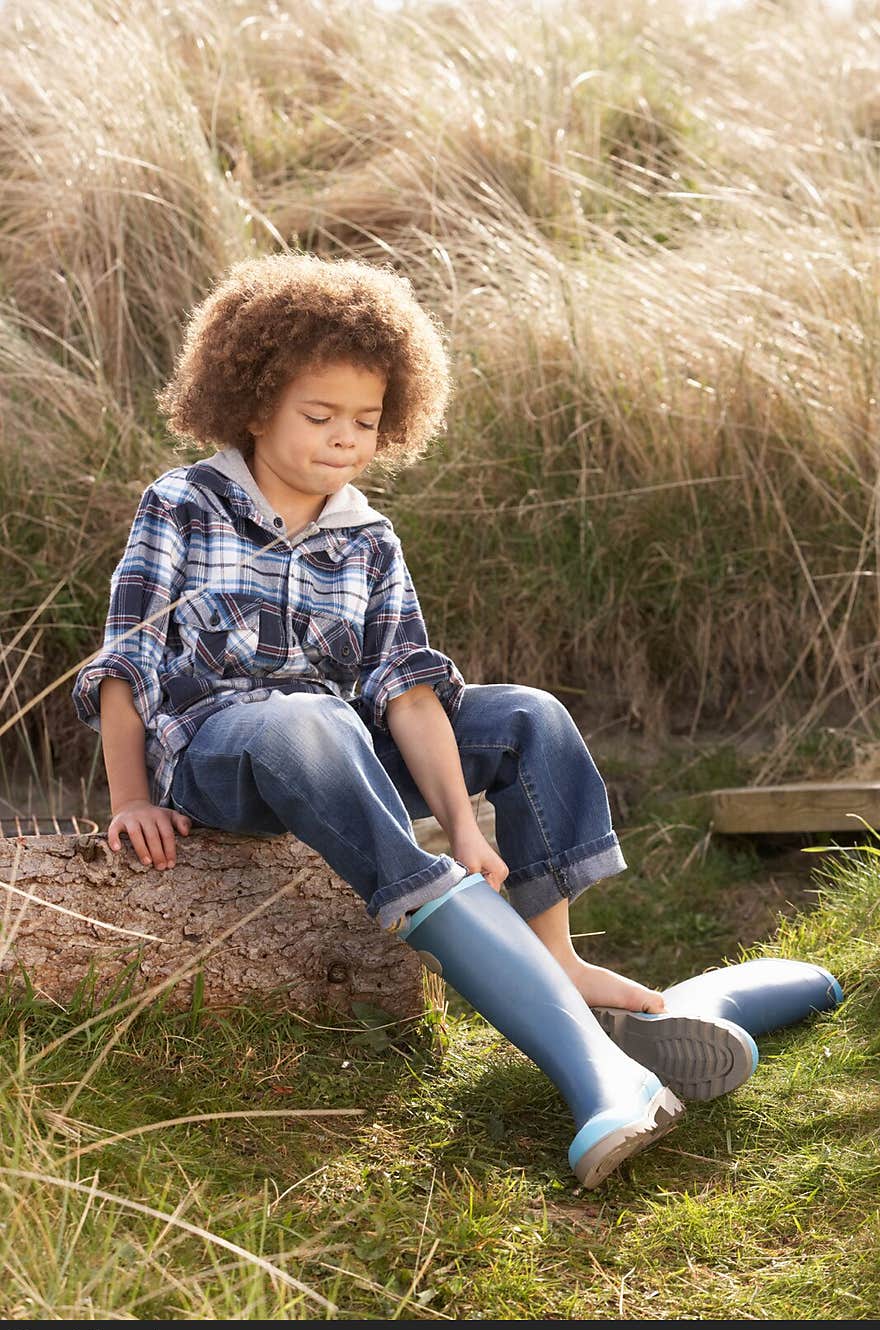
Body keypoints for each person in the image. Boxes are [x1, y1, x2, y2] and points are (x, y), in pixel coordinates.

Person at [70, 252, 755, 1188]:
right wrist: (129, 796)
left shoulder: (369, 537)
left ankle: (556, 961)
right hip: (225, 754)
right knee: (306, 717)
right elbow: (125, 662)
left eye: (365, 420)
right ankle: (575, 1054)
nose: (345, 438)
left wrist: (468, 829)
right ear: (252, 401)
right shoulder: (182, 503)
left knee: (527, 716)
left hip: (347, 753)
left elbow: (406, 688)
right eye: (319, 416)